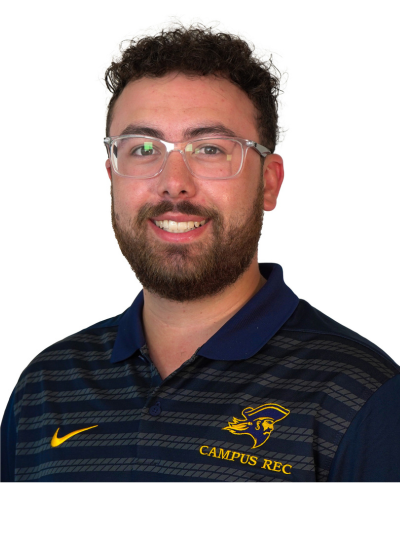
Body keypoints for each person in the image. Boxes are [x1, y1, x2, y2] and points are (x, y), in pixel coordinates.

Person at [1, 24, 399, 482]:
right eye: (143, 148)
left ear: (268, 183)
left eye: (210, 148)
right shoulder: (44, 388)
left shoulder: (362, 395)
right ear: (112, 176)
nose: (174, 183)